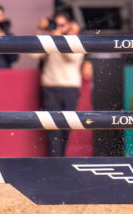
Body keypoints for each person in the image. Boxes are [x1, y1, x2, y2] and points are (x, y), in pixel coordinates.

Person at [32, 11, 92, 158]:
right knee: (53, 129)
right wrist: (41, 30)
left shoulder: (75, 40)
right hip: (50, 88)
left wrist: (59, 37)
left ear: (69, 25)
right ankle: (55, 163)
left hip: (70, 89)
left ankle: (61, 161)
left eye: (62, 25)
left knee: (66, 129)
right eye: (56, 24)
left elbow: (72, 57)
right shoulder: (49, 39)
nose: (58, 27)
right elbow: (33, 53)